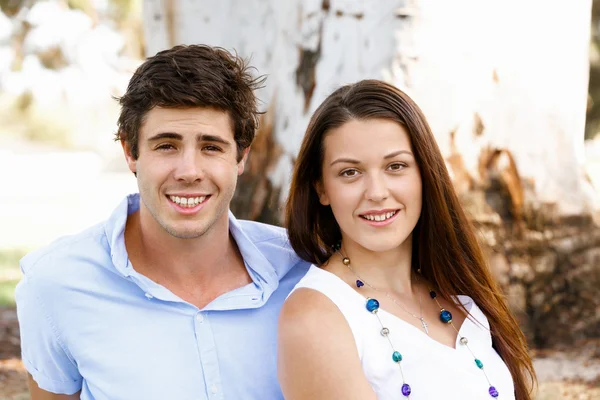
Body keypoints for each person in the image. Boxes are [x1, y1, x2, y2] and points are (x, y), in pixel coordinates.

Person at [16, 44, 310, 400]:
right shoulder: (56, 285)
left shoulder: (303, 270)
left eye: (211, 147)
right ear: (130, 152)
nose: (189, 172)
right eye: (166, 146)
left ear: (241, 157)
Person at [279, 80, 536, 399]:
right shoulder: (317, 315)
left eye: (396, 166)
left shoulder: (456, 292)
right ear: (321, 188)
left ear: (424, 174)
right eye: (350, 172)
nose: (376, 192)